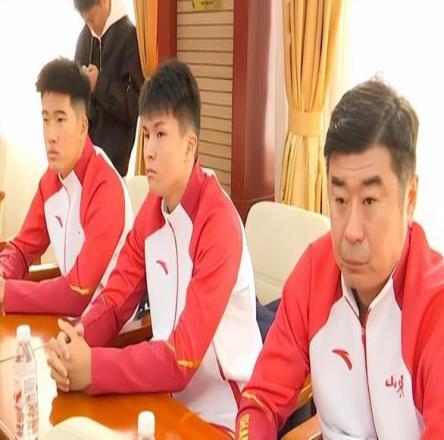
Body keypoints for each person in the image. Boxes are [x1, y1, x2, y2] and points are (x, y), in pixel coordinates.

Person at [235, 79, 444, 439]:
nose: (351, 231)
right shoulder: (314, 273)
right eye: (339, 200)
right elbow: (260, 400)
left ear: (410, 198)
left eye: (369, 201)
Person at [45, 60, 262, 435]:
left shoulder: (218, 224)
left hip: (226, 414)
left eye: (160, 134)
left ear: (189, 145)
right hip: (164, 399)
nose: (148, 150)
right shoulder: (153, 209)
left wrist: (92, 368)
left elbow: (181, 359)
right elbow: (116, 299)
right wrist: (76, 340)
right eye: (145, 134)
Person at [0, 58, 133, 316]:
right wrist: (2, 274)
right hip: (69, 322)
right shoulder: (51, 179)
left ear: (83, 125)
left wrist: (9, 292)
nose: (51, 135)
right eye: (45, 119)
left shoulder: (105, 187)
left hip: (113, 328)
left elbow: (77, 294)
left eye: (60, 119)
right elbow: (22, 248)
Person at [74, 0, 144, 176]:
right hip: (83, 155)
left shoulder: (130, 37)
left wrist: (99, 84)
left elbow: (134, 105)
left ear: (104, 2)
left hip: (114, 162)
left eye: (92, 19)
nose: (90, 26)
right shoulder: (85, 35)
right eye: (85, 21)